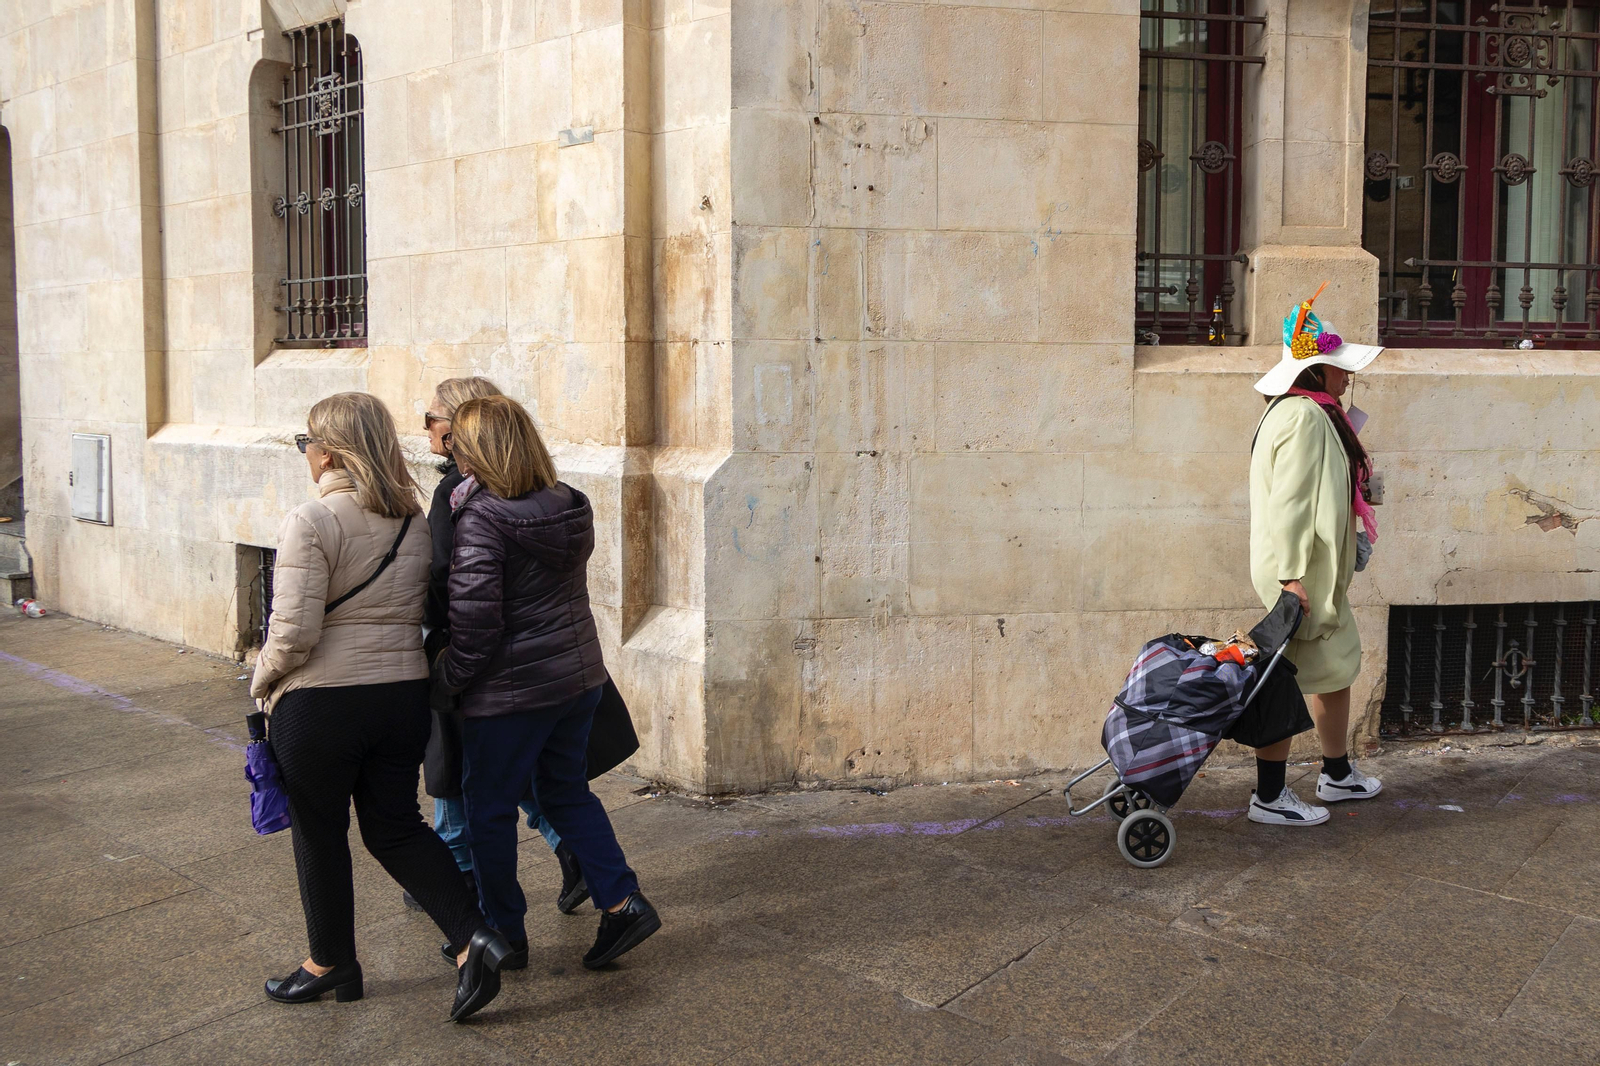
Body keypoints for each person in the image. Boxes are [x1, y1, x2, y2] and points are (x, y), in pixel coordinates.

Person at [251, 391, 512, 1020]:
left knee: (319, 831)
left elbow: (293, 633)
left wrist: (260, 681)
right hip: (399, 697)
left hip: (322, 705)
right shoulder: (412, 520)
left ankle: (330, 960)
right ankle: (472, 935)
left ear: (331, 451)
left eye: (306, 441)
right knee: (395, 827)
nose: (305, 453)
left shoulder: (310, 521)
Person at [433, 395, 660, 970]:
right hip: (575, 677)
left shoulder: (484, 517)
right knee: (564, 791)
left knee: (487, 810)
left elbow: (476, 624)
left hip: (512, 692)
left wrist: (446, 680)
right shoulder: (565, 502)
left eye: (457, 442)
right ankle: (622, 901)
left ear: (479, 450)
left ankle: (504, 933)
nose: (450, 452)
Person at [410, 377, 589, 918]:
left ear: (462, 431)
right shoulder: (559, 498)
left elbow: (458, 590)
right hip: (561, 668)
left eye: (433, 419)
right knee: (537, 780)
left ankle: (489, 913)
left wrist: (449, 671)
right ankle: (595, 875)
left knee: (473, 785)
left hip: (490, 668)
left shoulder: (466, 501)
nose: (430, 430)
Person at [1246, 287, 1386, 826]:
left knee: (1334, 668)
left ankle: (1337, 772)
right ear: (1315, 373)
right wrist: (1291, 579)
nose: (1347, 377)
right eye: (1339, 368)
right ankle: (1269, 796)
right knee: (1282, 678)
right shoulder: (1305, 418)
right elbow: (1293, 505)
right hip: (1301, 575)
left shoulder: (1306, 412)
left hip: (1311, 573)